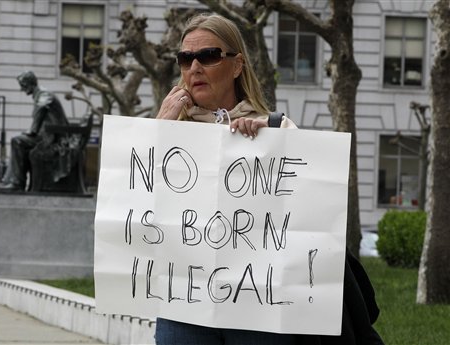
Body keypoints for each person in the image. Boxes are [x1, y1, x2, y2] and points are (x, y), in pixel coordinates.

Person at [154, 13, 384, 345]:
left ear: (237, 65)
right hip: (184, 305)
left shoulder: (277, 129)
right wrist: (159, 129)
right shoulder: (166, 131)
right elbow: (137, 212)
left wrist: (271, 148)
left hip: (259, 306)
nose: (195, 67)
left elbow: (316, 216)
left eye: (208, 56)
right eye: (185, 58)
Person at [0, 71, 70, 190]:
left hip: (53, 139)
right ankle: (10, 181)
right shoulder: (40, 94)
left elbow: (41, 108)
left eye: (23, 85)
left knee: (18, 141)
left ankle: (17, 183)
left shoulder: (44, 94)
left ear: (29, 84)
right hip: (47, 135)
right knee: (19, 143)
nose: (21, 89)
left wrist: (33, 131)